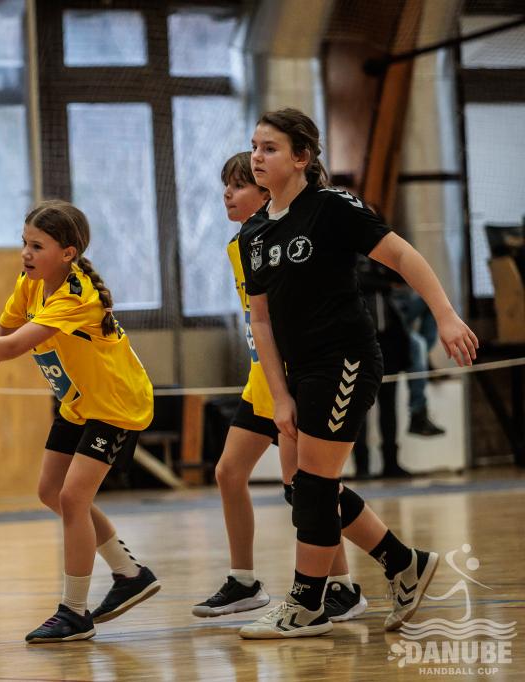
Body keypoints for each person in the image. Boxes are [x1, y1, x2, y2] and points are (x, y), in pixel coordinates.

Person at [236, 108, 477, 639]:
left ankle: (307, 605)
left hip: (345, 360)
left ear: (302, 157)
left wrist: (445, 316)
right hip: (298, 371)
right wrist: (279, 396)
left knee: (314, 485)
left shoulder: (331, 207)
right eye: (254, 146)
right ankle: (404, 563)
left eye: (270, 148)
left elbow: (402, 256)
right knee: (304, 488)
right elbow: (261, 321)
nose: (256, 156)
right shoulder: (254, 232)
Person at [0, 200, 160, 643]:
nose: (26, 252)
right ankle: (129, 573)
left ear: (68, 253)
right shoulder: (31, 283)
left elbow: (14, 346)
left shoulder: (76, 297)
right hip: (79, 403)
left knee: (73, 499)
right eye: (24, 242)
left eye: (37, 246)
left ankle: (74, 612)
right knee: (50, 492)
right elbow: (3, 330)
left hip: (116, 405)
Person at [193, 153, 367, 623]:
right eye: (226, 185)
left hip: (295, 378)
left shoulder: (289, 240)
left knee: (307, 489)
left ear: (267, 192)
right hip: (262, 380)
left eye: (238, 186)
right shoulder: (241, 243)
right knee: (229, 472)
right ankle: (244, 581)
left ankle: (342, 585)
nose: (227, 194)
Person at [352, 257, 411, 479]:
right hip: (359, 343)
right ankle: (362, 466)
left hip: (388, 343)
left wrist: (382, 273)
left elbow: (403, 276)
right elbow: (356, 280)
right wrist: (385, 284)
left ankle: (391, 463)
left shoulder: (380, 257)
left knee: (389, 405)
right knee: (358, 408)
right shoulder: (351, 256)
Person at [392, 286, 446, 436]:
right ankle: (418, 413)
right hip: (385, 304)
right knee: (418, 345)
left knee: (434, 298)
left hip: (401, 298)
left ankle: (420, 359)